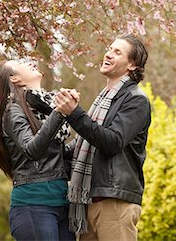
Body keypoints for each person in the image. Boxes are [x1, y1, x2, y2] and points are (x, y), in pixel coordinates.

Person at [55, 34, 151, 241]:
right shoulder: (103, 99)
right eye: (109, 49)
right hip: (88, 200)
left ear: (132, 65)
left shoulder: (136, 100)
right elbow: (84, 143)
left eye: (118, 52)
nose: (108, 54)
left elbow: (112, 141)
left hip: (114, 202)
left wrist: (74, 114)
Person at [0, 59, 77, 241]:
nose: (30, 62)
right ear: (15, 78)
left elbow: (59, 155)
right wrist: (58, 113)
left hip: (62, 202)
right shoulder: (12, 112)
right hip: (33, 206)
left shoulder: (43, 109)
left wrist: (87, 134)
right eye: (20, 63)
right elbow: (31, 149)